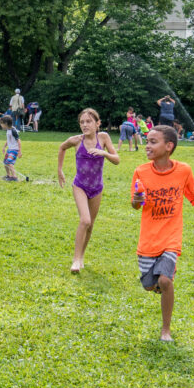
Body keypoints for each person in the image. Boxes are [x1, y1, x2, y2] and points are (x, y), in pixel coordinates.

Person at [131, 125, 194, 342]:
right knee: (149, 285)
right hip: (148, 239)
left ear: (169, 146)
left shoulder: (184, 170)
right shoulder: (141, 171)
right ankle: (161, 285)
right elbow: (136, 204)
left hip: (171, 238)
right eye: (147, 140)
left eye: (153, 141)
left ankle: (166, 331)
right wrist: (136, 201)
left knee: (165, 281)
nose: (147, 145)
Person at [56, 108, 120, 273]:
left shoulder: (103, 137)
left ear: (97, 123)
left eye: (88, 121)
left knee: (90, 226)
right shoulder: (76, 140)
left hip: (97, 188)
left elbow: (117, 160)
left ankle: (82, 256)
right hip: (80, 186)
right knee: (85, 220)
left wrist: (103, 152)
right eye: (82, 122)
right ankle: (76, 260)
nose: (85, 125)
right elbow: (62, 148)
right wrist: (60, 170)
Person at [0, 115, 21, 181]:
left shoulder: (13, 131)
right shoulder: (8, 130)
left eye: (1, 124)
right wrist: (4, 147)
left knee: (9, 162)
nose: (1, 125)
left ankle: (14, 177)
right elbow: (8, 140)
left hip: (14, 150)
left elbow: (19, 141)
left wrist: (20, 151)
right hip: (9, 149)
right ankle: (8, 175)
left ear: (5, 124)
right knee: (5, 162)